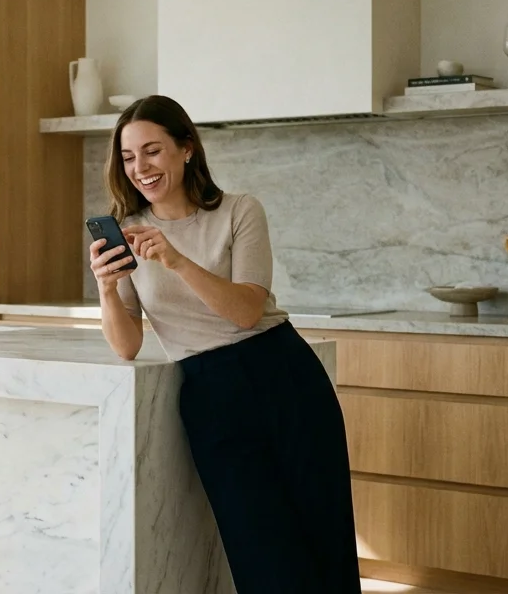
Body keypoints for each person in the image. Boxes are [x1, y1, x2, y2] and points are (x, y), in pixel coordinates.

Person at [87, 95, 360, 592]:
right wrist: (106, 288)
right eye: (128, 157)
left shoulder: (239, 211)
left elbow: (246, 310)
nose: (140, 168)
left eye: (152, 151)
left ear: (186, 148)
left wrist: (176, 261)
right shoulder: (127, 233)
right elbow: (125, 345)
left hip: (284, 377)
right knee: (260, 555)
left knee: (325, 543)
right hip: (211, 396)